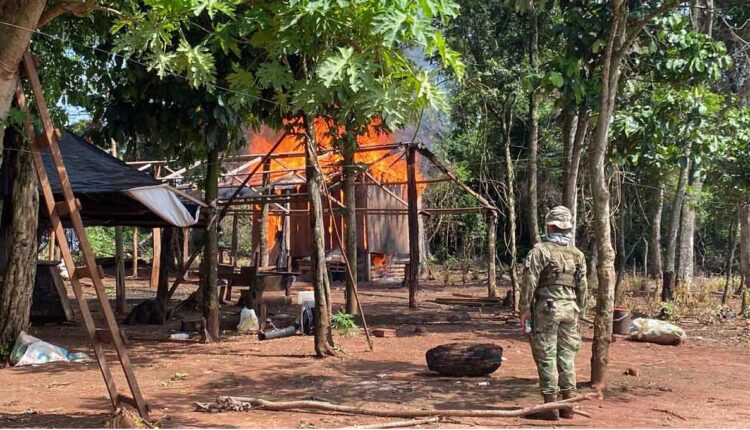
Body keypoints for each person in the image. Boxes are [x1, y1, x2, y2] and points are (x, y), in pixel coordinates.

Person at [519, 205, 587, 420]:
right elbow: (582, 286)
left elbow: (529, 282)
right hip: (571, 309)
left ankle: (551, 407)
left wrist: (524, 309)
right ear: (567, 228)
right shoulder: (577, 254)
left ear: (549, 226)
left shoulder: (541, 251)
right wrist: (581, 312)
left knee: (546, 355)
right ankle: (569, 405)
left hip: (547, 309)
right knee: (567, 356)